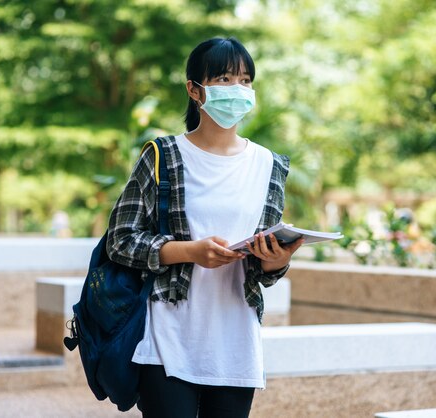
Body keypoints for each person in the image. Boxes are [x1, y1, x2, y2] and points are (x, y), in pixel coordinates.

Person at [106, 37, 303, 418]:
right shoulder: (162, 156)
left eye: (245, 80)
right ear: (194, 89)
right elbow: (120, 239)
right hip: (168, 337)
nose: (238, 90)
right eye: (225, 79)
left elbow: (264, 273)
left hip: (236, 343)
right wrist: (189, 252)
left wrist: (274, 262)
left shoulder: (269, 166)